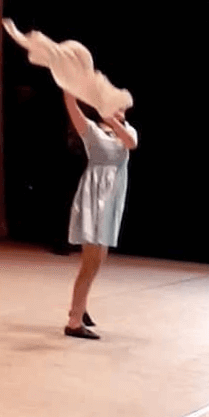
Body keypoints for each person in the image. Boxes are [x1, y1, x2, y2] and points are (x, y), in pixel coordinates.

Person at [62, 92, 138, 339]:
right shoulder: (92, 130)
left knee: (98, 258)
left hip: (111, 200)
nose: (121, 112)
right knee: (91, 260)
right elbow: (72, 106)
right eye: (117, 108)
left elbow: (131, 143)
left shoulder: (127, 131)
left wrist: (114, 120)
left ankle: (79, 306)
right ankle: (74, 321)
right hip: (94, 199)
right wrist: (70, 90)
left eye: (123, 109)